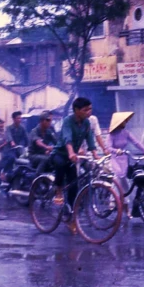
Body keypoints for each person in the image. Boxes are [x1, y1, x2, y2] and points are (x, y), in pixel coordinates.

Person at [51, 97, 99, 232]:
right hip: (60, 154)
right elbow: (67, 138)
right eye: (85, 110)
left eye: (90, 109)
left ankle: (70, 217)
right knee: (60, 165)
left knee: (74, 188)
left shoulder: (87, 123)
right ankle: (58, 191)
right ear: (76, 110)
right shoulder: (68, 121)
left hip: (73, 157)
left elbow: (90, 139)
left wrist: (95, 154)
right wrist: (71, 152)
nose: (89, 112)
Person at [106, 111, 144, 217]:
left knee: (125, 183)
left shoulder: (126, 133)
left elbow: (136, 142)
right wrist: (116, 151)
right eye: (123, 121)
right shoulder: (111, 135)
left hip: (124, 158)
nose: (125, 122)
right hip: (115, 158)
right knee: (117, 177)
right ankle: (112, 201)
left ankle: (127, 209)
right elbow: (108, 148)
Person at [0, 111, 29, 181]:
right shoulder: (8, 128)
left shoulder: (22, 128)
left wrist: (28, 145)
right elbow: (9, 136)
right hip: (9, 149)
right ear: (14, 119)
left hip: (18, 149)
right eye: (18, 118)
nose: (19, 120)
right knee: (12, 158)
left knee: (26, 159)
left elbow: (26, 138)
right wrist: (12, 142)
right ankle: (5, 173)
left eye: (20, 118)